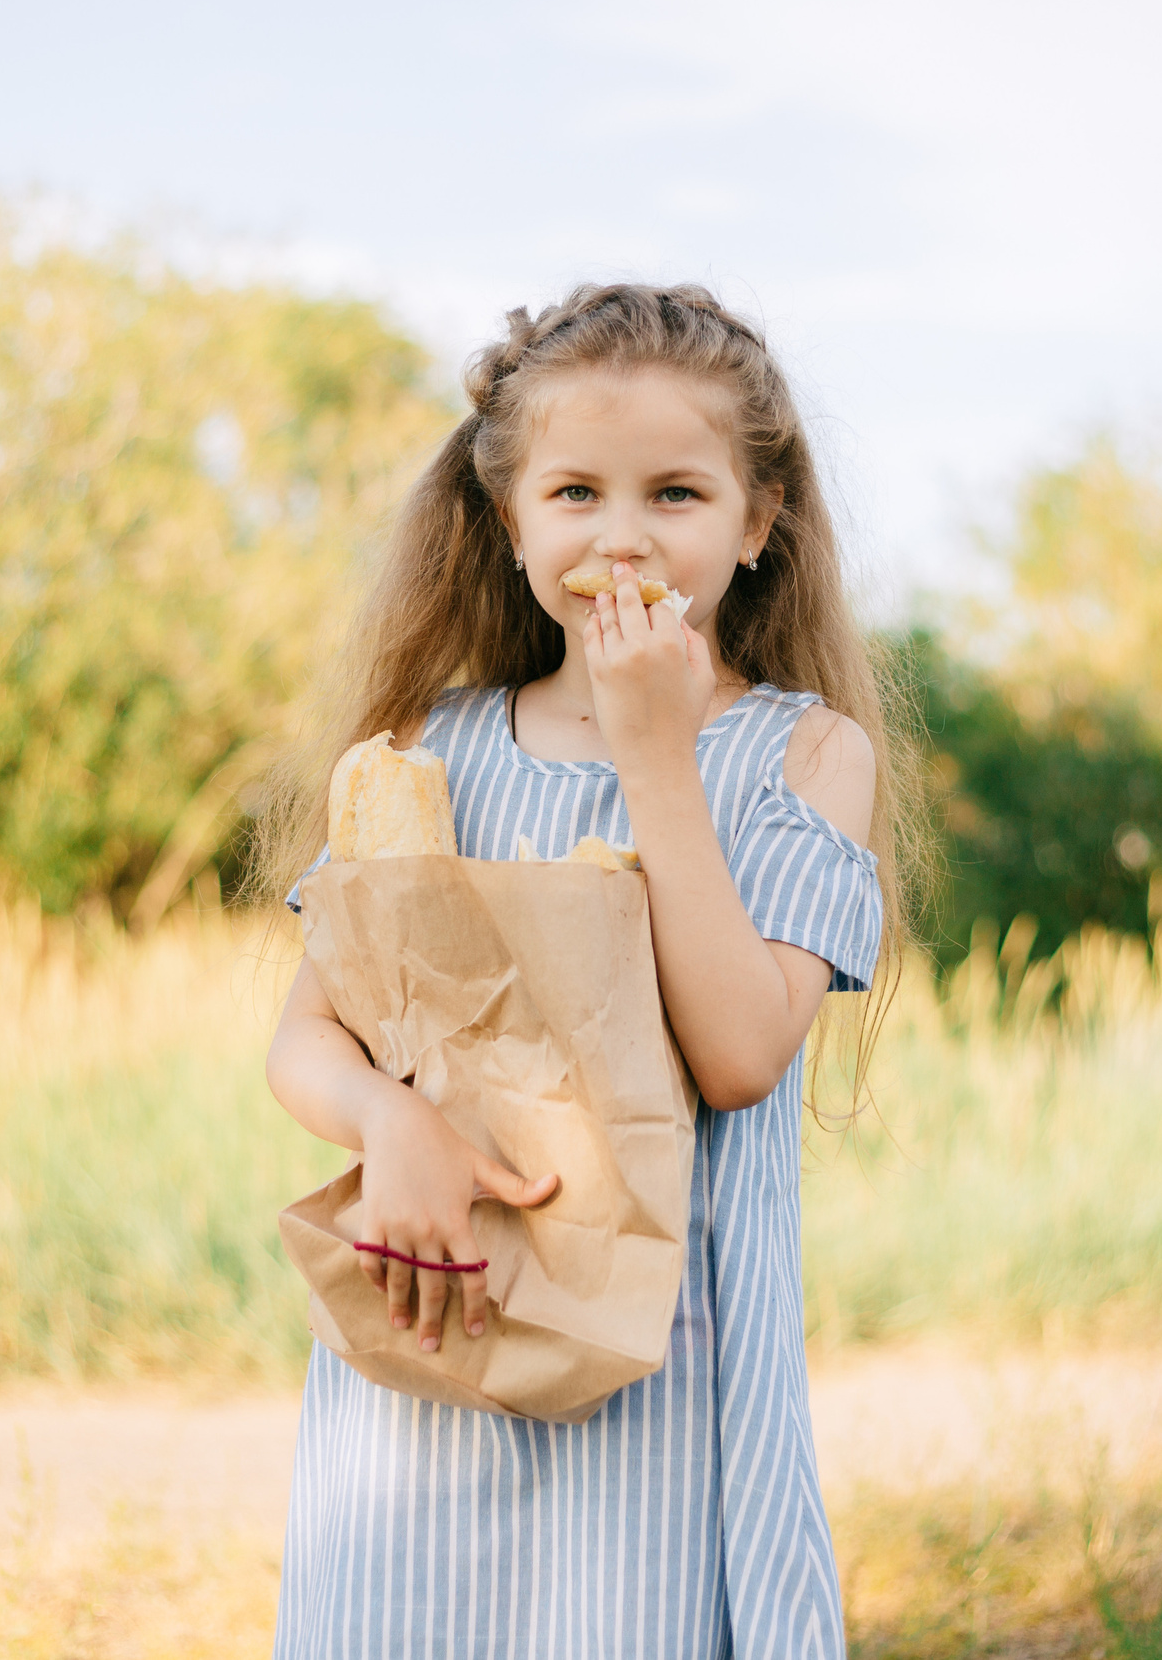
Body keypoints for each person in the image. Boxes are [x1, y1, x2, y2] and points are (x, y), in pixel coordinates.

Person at [257, 283, 922, 1659]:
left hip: (666, 1378)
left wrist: (654, 750)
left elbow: (740, 1056)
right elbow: (306, 1038)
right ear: (512, 525)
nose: (623, 536)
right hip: (436, 1321)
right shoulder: (422, 755)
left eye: (676, 494)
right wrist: (390, 1121)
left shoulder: (799, 758)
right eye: (576, 492)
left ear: (758, 521)